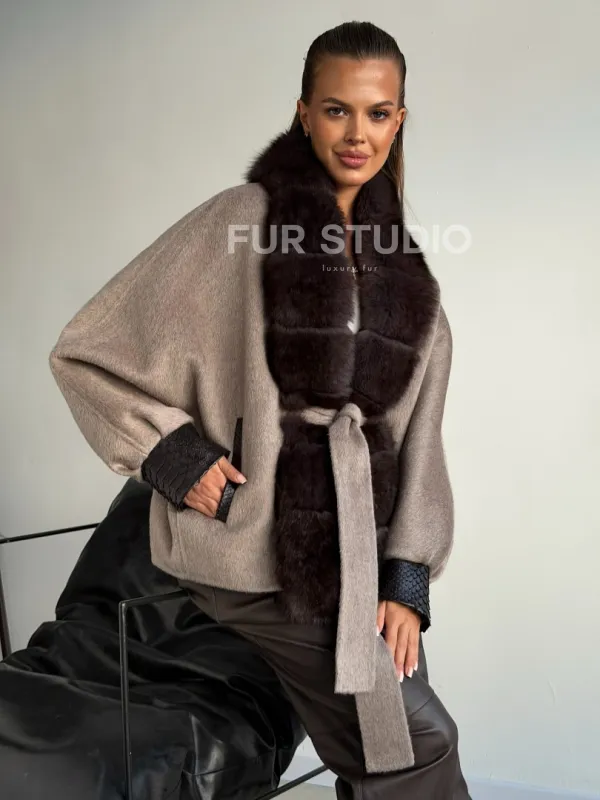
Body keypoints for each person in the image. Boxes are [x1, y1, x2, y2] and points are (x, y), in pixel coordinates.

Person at [49, 19, 472, 800]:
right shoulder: (238, 222)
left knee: (390, 748)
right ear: (305, 113)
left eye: (378, 112)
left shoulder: (403, 265)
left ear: (399, 120)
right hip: (252, 554)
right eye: (337, 109)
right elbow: (87, 352)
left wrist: (407, 577)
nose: (357, 133)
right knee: (414, 744)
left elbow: (421, 435)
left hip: (360, 555)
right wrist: (176, 456)